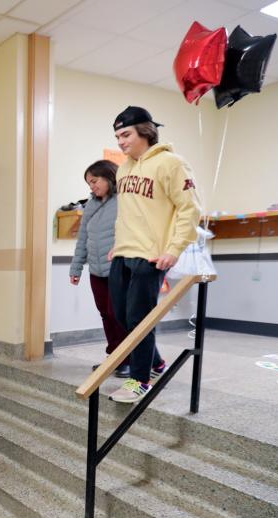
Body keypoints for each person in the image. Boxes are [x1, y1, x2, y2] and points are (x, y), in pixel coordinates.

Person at [108, 106, 201, 403]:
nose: (121, 141)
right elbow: (128, 213)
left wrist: (174, 250)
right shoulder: (123, 168)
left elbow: (190, 210)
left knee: (140, 319)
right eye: (117, 136)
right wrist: (117, 242)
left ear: (145, 132)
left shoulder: (171, 163)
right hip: (124, 252)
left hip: (151, 256)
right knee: (122, 316)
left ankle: (140, 380)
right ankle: (156, 363)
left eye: (126, 134)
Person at [70, 160, 130, 378]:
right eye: (89, 183)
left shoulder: (124, 199)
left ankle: (128, 359)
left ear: (109, 177)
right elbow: (83, 237)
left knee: (119, 315)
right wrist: (76, 268)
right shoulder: (92, 204)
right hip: (96, 271)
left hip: (118, 268)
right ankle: (114, 356)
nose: (92, 187)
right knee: (105, 314)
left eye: (94, 181)